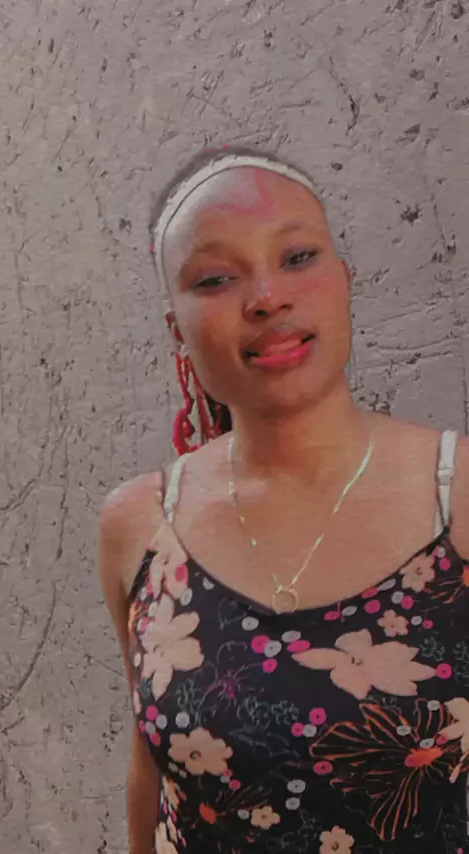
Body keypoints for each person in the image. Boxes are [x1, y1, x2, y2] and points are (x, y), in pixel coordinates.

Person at [98, 145, 469, 854]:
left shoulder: (458, 498)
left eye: (297, 257)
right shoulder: (139, 526)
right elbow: (151, 767)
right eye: (215, 278)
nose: (266, 297)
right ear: (176, 329)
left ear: (345, 280)